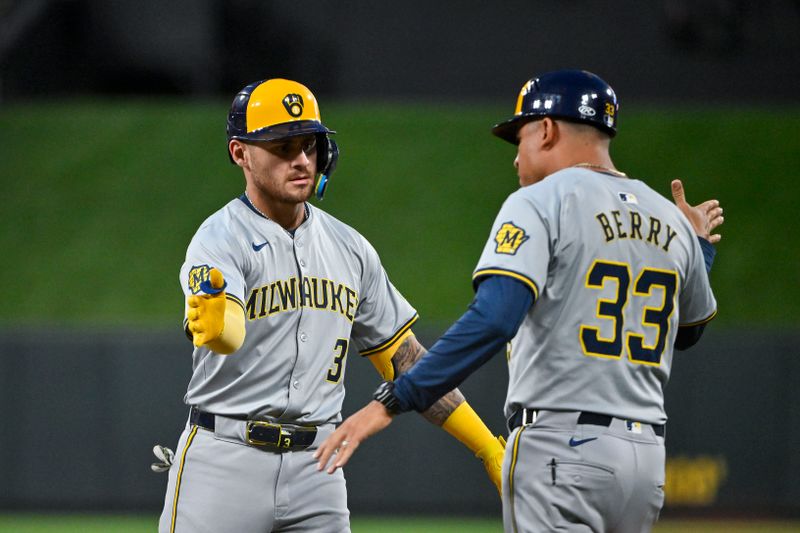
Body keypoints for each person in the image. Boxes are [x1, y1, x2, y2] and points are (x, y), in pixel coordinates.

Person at [315, 69, 724, 532]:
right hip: (646, 464)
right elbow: (688, 331)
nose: (516, 159)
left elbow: (494, 319)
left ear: (546, 129)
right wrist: (699, 249)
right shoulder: (668, 219)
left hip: (560, 452)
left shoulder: (541, 200)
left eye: (521, 137)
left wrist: (394, 399)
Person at [155, 78, 506, 533]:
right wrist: (219, 325)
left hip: (318, 465)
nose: (301, 160)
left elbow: (406, 360)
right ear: (240, 153)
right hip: (225, 458)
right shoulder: (219, 238)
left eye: (309, 145)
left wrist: (487, 448)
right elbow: (228, 331)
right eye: (282, 146)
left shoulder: (351, 249)